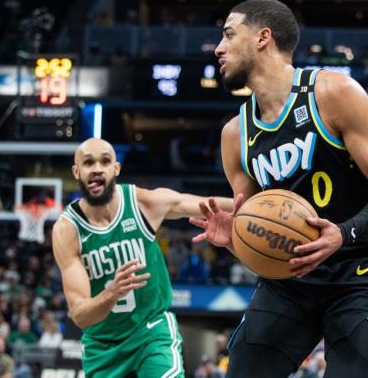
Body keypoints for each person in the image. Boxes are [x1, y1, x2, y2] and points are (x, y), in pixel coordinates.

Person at [190, 0, 368, 377]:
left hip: (362, 274)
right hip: (289, 283)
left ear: (263, 37)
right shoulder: (235, 135)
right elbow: (260, 231)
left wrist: (341, 234)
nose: (218, 48)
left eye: (227, 34)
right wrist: (236, 237)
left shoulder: (334, 93)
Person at [52, 138, 233, 378]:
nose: (97, 168)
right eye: (88, 162)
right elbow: (80, 314)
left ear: (116, 169)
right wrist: (111, 293)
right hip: (102, 348)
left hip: (151, 331)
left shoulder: (141, 203)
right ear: (77, 171)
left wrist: (253, 207)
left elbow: (200, 204)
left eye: (105, 161)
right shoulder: (67, 230)